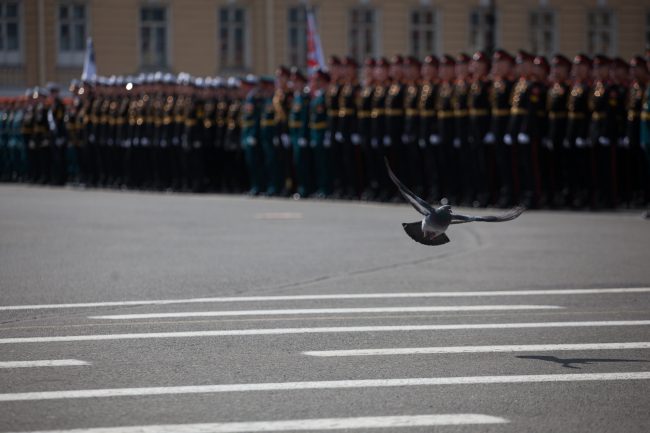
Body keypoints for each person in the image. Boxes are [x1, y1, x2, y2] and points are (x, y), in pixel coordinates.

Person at [489, 49, 516, 207]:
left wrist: (510, 131)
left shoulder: (511, 85)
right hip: (496, 130)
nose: (496, 66)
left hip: (507, 129)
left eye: (500, 63)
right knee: (498, 164)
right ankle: (500, 194)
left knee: (508, 165)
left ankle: (510, 194)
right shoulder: (496, 84)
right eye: (495, 63)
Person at [545, 54, 572, 207]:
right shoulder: (553, 89)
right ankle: (554, 195)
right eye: (554, 67)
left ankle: (567, 195)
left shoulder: (568, 88)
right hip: (552, 132)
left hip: (565, 132)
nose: (555, 71)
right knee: (552, 166)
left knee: (566, 166)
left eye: (559, 68)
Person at [566, 54, 593, 208]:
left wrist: (584, 135)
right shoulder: (575, 87)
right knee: (572, 167)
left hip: (583, 132)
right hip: (572, 132)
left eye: (580, 66)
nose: (576, 69)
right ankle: (575, 194)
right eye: (575, 66)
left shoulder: (589, 88)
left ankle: (586, 195)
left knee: (585, 168)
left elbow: (588, 114)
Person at [467, 51, 491, 206]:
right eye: (474, 64)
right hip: (473, 128)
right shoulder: (472, 84)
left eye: (479, 64)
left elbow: (491, 109)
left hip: (484, 128)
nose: (475, 67)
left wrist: (490, 130)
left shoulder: (488, 85)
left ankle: (487, 194)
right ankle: (477, 193)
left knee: (485, 164)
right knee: (474, 163)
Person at [288, 68, 311, 198]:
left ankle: (304, 188)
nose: (294, 84)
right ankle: (299, 187)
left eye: (297, 82)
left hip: (301, 134)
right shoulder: (296, 97)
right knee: (296, 162)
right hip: (294, 133)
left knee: (302, 163)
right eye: (293, 81)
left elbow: (304, 118)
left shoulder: (304, 98)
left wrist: (302, 136)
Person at [309, 69, 332, 198]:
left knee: (324, 164)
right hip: (315, 133)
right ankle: (321, 187)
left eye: (318, 80)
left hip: (323, 132)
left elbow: (328, 116)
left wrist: (328, 133)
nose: (315, 82)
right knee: (318, 163)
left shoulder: (326, 96)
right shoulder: (317, 96)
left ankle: (326, 188)